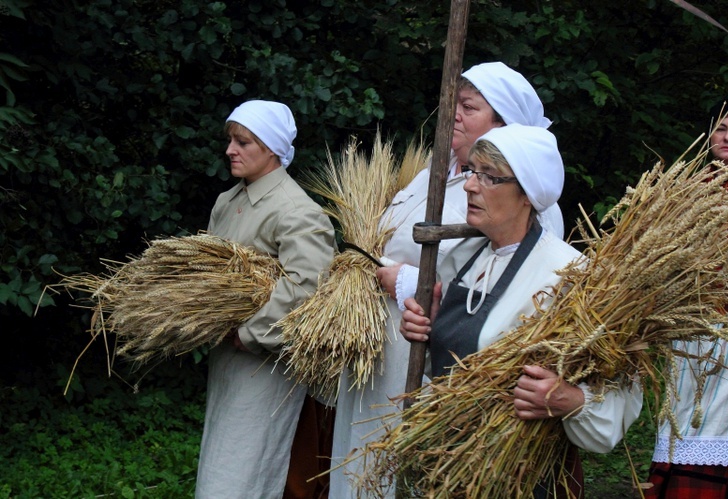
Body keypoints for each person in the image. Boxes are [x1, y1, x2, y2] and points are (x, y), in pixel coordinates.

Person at [328, 61, 564, 497]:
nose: (453, 112)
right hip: (377, 353)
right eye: (454, 101)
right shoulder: (430, 175)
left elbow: (516, 280)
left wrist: (407, 283)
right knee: (356, 459)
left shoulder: (527, 198)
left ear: (504, 126)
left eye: (469, 106)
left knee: (392, 468)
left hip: (425, 358)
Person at [399, 124, 643, 497]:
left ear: (526, 194)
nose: (469, 185)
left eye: (489, 177)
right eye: (471, 171)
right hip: (449, 470)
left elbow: (623, 386)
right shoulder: (465, 256)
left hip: (520, 478)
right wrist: (428, 330)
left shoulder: (570, 275)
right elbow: (456, 364)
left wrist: (573, 400)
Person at [195, 100, 336, 498]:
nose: (230, 150)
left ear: (272, 148)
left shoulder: (297, 212)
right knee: (223, 460)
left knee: (248, 469)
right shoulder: (228, 201)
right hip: (228, 358)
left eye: (243, 142)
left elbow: (307, 289)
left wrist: (248, 336)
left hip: (264, 367)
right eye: (231, 140)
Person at [645, 93, 728, 498]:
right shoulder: (691, 188)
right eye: (721, 128)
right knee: (678, 415)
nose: (727, 137)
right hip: (685, 324)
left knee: (715, 421)